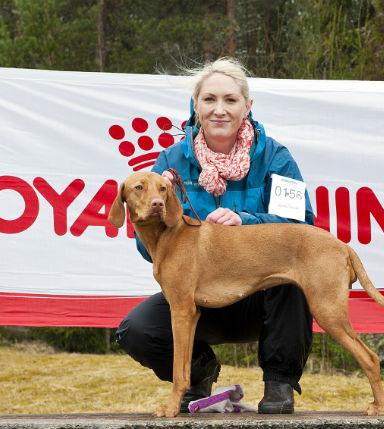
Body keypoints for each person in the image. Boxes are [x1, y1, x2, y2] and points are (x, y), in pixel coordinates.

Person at [116, 57, 315, 414]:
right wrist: (160, 214)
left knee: (294, 276)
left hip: (261, 297)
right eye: (209, 100)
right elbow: (149, 248)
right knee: (136, 330)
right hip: (201, 296)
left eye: (230, 100)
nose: (219, 110)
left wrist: (247, 222)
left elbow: (303, 227)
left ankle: (279, 383)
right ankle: (198, 372)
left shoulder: (275, 158)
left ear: (247, 106)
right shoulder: (170, 162)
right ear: (196, 106)